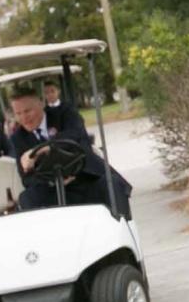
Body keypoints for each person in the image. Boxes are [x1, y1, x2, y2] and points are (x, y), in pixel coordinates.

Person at [7, 87, 132, 219]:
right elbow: (27, 179)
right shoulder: (18, 138)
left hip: (86, 179)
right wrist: (53, 181)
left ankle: (121, 225)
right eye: (18, 114)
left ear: (41, 103)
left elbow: (78, 135)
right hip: (53, 190)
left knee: (111, 183)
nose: (24, 118)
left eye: (27, 111)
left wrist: (42, 149)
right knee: (27, 197)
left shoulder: (65, 113)